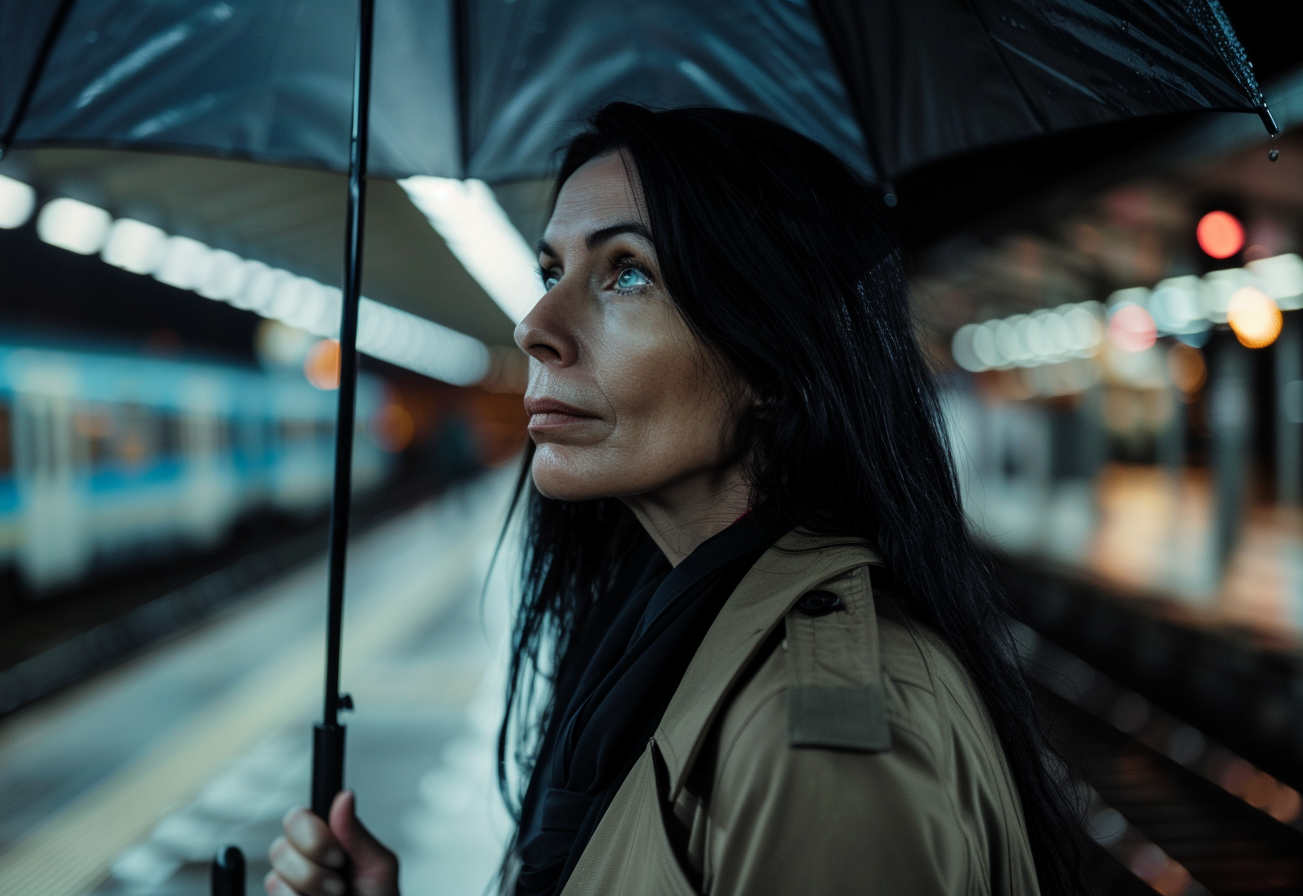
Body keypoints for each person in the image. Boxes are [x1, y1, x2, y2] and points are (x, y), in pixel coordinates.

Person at [266, 103, 1088, 896]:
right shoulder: (666, 629)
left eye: (626, 272)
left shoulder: (825, 740)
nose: (535, 324)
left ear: (772, 361)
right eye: (551, 271)